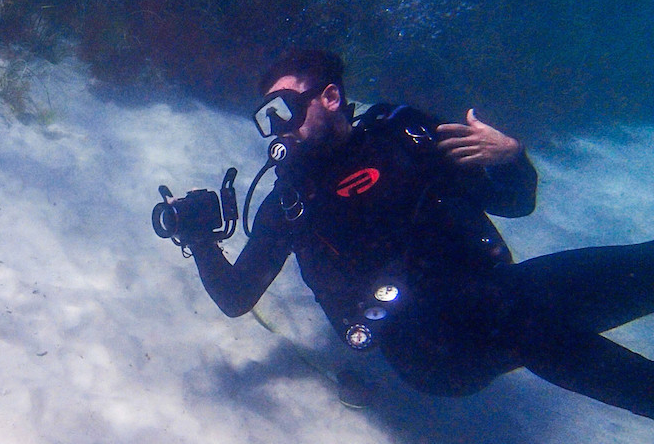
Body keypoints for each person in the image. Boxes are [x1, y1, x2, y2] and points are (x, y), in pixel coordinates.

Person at [187, 49, 654, 415]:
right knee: (522, 313)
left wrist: (511, 158)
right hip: (427, 351)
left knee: (630, 272)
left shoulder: (405, 136)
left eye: (285, 110)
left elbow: (514, 204)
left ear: (330, 97)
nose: (278, 130)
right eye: (266, 119)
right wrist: (199, 239)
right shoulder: (292, 202)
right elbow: (236, 297)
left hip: (493, 292)